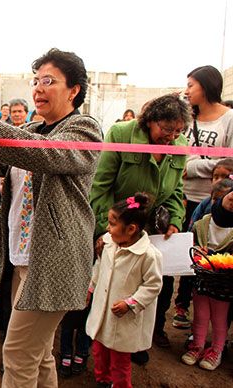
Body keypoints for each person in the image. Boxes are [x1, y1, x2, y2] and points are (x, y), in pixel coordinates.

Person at [0, 48, 102, 387]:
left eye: (49, 81)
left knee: (17, 354)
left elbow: (47, 156)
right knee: (37, 353)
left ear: (74, 90)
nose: (39, 88)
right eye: (36, 80)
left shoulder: (84, 128)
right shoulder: (31, 128)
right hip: (25, 256)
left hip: (54, 261)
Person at [90, 94, 190, 355]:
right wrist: (107, 230)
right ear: (150, 121)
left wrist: (175, 221)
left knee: (152, 283)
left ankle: (142, 338)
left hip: (152, 229)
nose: (171, 136)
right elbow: (101, 186)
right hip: (120, 226)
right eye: (166, 129)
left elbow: (177, 189)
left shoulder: (179, 144)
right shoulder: (121, 133)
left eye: (178, 131)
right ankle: (102, 337)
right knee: (114, 281)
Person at [175, 65, 233, 328]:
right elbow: (180, 160)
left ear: (207, 86)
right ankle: (180, 306)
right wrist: (211, 163)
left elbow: (228, 165)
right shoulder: (187, 119)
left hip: (214, 203)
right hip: (183, 196)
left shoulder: (229, 119)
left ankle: (211, 322)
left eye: (191, 85)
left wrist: (196, 166)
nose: (186, 91)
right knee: (181, 254)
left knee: (208, 259)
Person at [86, 193, 162, 388]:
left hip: (123, 318)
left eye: (112, 224)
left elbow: (153, 285)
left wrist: (131, 303)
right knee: (99, 350)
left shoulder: (148, 255)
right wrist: (91, 288)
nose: (107, 229)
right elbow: (99, 267)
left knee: (120, 360)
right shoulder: (108, 242)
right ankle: (103, 380)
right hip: (103, 311)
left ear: (131, 229)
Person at [181, 179, 233, 371]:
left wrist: (214, 258)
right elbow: (190, 240)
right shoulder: (205, 221)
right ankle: (197, 346)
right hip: (203, 278)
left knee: (220, 317)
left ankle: (216, 350)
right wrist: (196, 251)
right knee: (201, 313)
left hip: (224, 283)